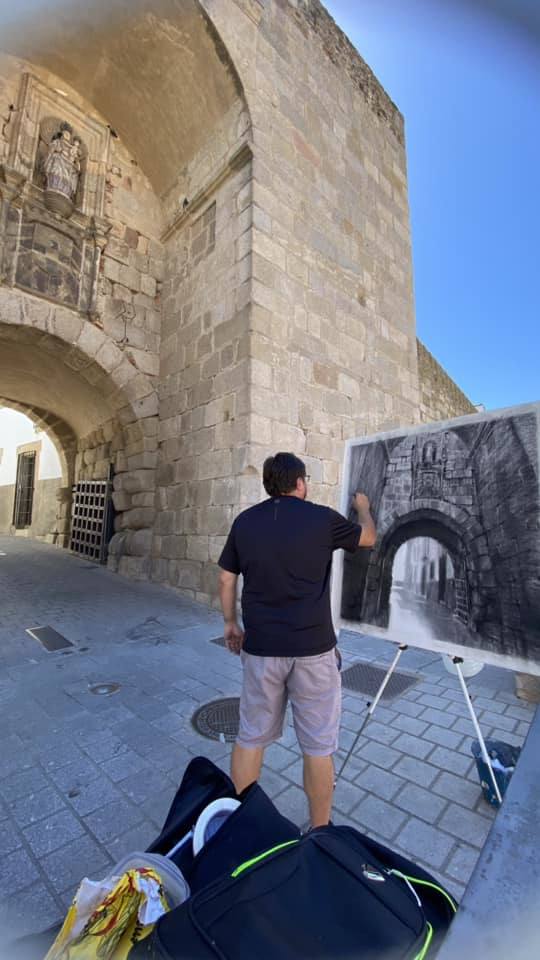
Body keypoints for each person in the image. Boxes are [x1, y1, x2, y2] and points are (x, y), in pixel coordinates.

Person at [218, 451, 377, 828]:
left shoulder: (245, 522)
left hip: (261, 649)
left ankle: (239, 825)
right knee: (318, 747)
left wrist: (230, 623)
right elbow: (368, 538)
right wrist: (364, 509)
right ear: (300, 483)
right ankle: (320, 830)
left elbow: (226, 578)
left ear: (268, 484)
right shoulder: (322, 518)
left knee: (250, 737)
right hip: (314, 651)